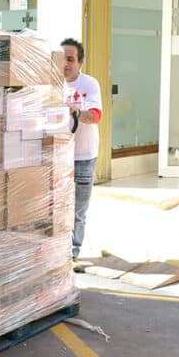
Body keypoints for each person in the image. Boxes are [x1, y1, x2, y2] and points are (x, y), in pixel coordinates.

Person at [61, 38, 102, 261]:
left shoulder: (89, 84)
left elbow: (96, 116)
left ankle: (74, 252)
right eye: (62, 59)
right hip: (59, 157)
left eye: (70, 59)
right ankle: (59, 251)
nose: (66, 64)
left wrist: (77, 112)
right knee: (59, 207)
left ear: (80, 62)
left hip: (84, 156)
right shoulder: (52, 84)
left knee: (78, 211)